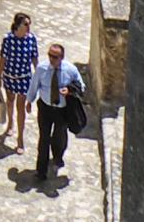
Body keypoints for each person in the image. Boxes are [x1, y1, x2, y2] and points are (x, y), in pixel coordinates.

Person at [30, 41, 84, 183]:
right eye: (50, 55)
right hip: (45, 107)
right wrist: (29, 101)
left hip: (62, 110)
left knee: (59, 136)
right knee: (44, 139)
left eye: (55, 57)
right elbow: (34, 85)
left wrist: (70, 90)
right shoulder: (42, 69)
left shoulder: (70, 70)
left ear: (61, 57)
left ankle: (58, 157)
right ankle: (41, 171)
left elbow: (81, 86)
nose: (51, 59)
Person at [0, 12, 36, 151]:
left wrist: (38, 76)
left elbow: (34, 58)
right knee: (10, 101)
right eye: (25, 24)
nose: (28, 26)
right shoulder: (8, 39)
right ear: (18, 25)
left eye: (29, 24)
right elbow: (3, 58)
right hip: (10, 77)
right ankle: (10, 124)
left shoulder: (31, 39)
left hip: (24, 78)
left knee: (21, 107)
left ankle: (20, 138)